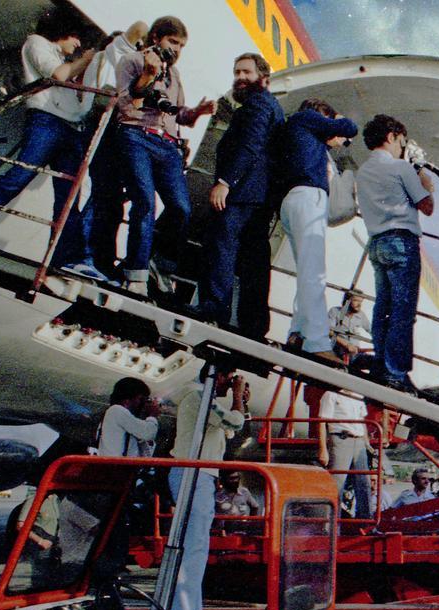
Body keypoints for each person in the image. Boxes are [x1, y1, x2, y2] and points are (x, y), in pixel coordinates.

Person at [0, 10, 106, 280]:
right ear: (62, 31)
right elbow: (58, 74)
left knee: (69, 195)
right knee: (17, 177)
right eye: (75, 37)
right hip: (46, 121)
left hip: (69, 126)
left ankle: (69, 256)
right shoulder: (37, 44)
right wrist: (87, 59)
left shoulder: (64, 56)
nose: (77, 44)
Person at [114, 16, 215, 294]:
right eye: (173, 42)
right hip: (137, 135)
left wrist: (196, 112)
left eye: (182, 45)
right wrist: (147, 75)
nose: (178, 50)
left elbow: (176, 114)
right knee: (145, 202)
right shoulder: (132, 61)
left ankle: (161, 262)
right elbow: (125, 106)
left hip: (168, 144)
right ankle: (135, 273)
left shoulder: (175, 75)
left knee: (181, 207)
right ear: (156, 37)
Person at [195, 53, 283, 338]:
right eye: (237, 72)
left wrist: (225, 182)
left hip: (242, 191)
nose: (240, 77)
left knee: (222, 245)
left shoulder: (258, 104)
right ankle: (252, 324)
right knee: (251, 259)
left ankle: (213, 308)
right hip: (257, 195)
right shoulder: (271, 106)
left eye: (246, 71)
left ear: (264, 78)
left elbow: (249, 146)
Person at [274, 98, 357, 364]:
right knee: (314, 273)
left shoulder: (302, 137)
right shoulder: (306, 118)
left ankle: (298, 334)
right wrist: (337, 122)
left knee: (307, 272)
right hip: (308, 198)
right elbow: (350, 127)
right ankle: (317, 343)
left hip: (295, 200)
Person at [355, 114, 434, 390]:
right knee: (402, 310)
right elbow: (427, 204)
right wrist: (419, 167)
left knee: (382, 308)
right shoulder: (400, 168)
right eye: (401, 141)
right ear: (391, 136)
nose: (402, 147)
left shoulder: (362, 171)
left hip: (376, 241)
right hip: (402, 240)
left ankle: (381, 363)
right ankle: (395, 371)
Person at [168, 365, 247, 610]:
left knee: (198, 546)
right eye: (229, 377)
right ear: (218, 375)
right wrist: (237, 398)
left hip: (201, 475)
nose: (231, 383)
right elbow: (234, 422)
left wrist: (239, 402)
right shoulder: (198, 396)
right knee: (193, 546)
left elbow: (230, 431)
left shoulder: (204, 401)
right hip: (194, 474)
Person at [82, 21, 148, 280]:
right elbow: (139, 28)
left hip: (107, 129)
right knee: (101, 197)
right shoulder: (112, 55)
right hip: (104, 125)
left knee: (107, 200)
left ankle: (100, 259)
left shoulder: (106, 61)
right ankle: (89, 256)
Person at [316, 389, 375, 519]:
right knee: (337, 483)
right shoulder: (331, 394)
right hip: (340, 438)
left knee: (363, 482)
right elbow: (321, 422)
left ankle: (366, 521)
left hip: (358, 440)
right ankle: (330, 523)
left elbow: (362, 421)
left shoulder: (359, 395)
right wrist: (323, 450)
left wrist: (366, 444)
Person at [97, 377, 159, 457]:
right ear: (127, 399)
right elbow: (148, 433)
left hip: (118, 466)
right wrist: (152, 415)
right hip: (115, 466)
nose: (143, 404)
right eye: (141, 399)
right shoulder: (117, 410)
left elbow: (145, 452)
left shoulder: (115, 414)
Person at [214, 468, 261, 534]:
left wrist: (251, 523)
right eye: (231, 479)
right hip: (221, 530)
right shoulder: (217, 494)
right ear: (225, 480)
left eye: (237, 478)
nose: (235, 481)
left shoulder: (244, 492)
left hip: (240, 529)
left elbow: (255, 507)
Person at [328, 291, 372, 359]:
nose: (359, 304)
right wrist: (346, 344)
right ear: (347, 301)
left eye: (361, 302)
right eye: (356, 300)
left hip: (355, 353)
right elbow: (329, 331)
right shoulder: (335, 311)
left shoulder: (361, 315)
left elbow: (373, 331)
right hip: (338, 351)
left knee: (377, 362)